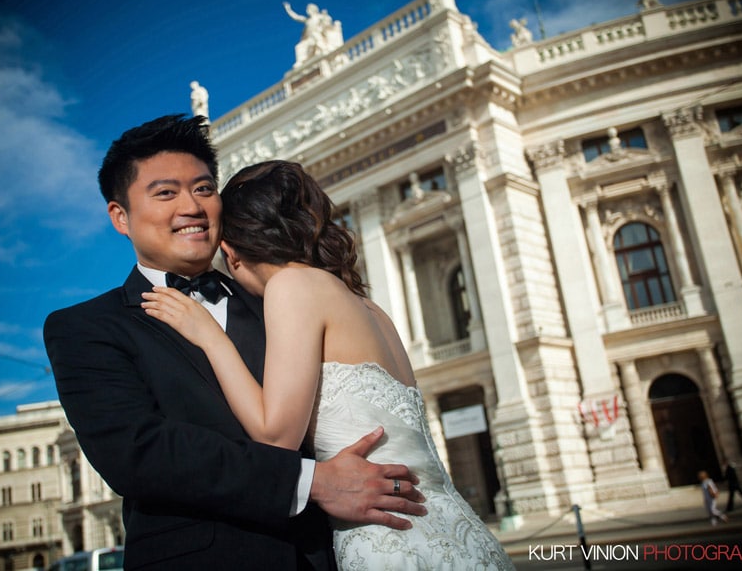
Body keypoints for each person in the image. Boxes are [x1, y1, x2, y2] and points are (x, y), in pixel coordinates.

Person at [44, 115, 426, 570]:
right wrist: (312, 483)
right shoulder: (85, 328)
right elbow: (140, 453)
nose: (191, 206)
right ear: (120, 217)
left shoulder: (285, 299)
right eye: (166, 193)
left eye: (204, 189)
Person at [142, 160, 516, 569]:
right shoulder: (370, 308)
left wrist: (210, 337)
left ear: (230, 252)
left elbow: (276, 437)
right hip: (456, 530)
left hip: (387, 537)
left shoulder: (292, 285)